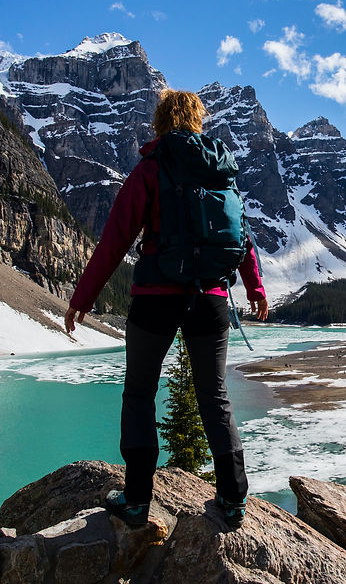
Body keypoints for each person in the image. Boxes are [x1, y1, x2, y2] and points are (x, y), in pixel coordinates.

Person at [64, 89, 267, 531]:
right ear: (198, 120)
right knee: (214, 395)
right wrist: (254, 286)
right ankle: (233, 500)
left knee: (139, 393)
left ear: (160, 121)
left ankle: (137, 500)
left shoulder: (150, 169)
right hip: (211, 298)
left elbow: (116, 238)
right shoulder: (221, 170)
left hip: (156, 297)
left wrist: (83, 298)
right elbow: (243, 233)